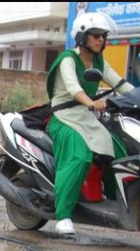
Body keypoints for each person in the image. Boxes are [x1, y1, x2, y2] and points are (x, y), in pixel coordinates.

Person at [46, 12, 133, 236]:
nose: (100, 40)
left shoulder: (98, 62)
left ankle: (117, 201)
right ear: (82, 37)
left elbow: (120, 83)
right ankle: (63, 215)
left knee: (120, 150)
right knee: (79, 156)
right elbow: (74, 88)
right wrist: (92, 103)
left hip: (86, 116)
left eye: (103, 36)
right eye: (96, 36)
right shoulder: (68, 59)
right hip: (64, 118)